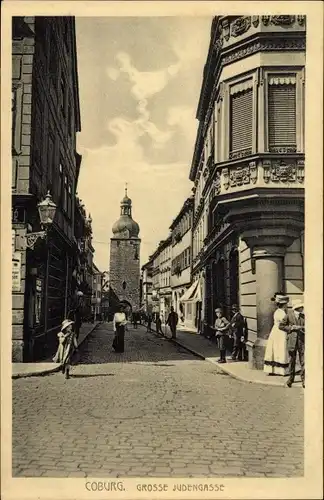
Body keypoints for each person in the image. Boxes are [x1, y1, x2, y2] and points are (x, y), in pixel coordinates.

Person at [279, 298, 305, 388]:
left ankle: (304, 380)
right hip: (291, 341)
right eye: (301, 307)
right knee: (292, 361)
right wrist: (292, 328)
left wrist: (301, 327)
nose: (302, 308)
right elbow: (281, 326)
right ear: (297, 308)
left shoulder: (304, 316)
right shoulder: (288, 315)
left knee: (303, 361)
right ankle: (291, 379)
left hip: (302, 341)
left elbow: (307, 327)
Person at [263, 293, 290, 376]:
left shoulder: (277, 311)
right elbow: (284, 324)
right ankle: (281, 370)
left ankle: (273, 369)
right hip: (281, 332)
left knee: (275, 349)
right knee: (281, 348)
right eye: (286, 304)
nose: (286, 306)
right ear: (283, 304)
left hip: (275, 331)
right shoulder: (282, 313)